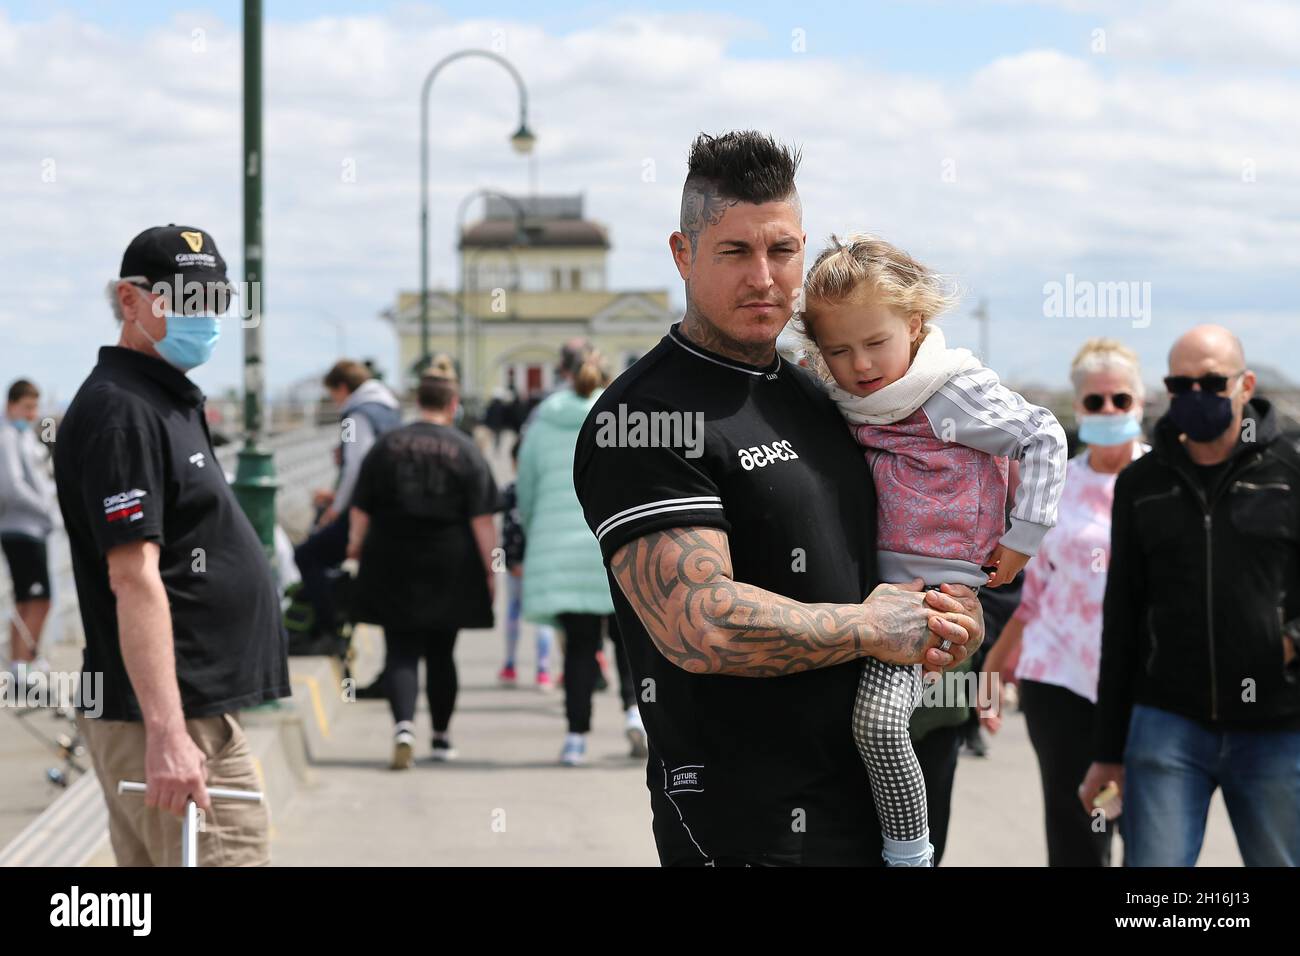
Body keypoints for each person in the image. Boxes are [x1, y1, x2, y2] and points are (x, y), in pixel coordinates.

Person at [573, 130, 983, 867]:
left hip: (877, 795)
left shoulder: (821, 389)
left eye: (783, 250)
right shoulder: (643, 418)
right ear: (683, 253)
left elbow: (902, 541)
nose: (764, 277)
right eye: (735, 252)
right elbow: (701, 625)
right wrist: (866, 627)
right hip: (745, 820)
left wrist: (948, 617)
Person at [798, 233, 1067, 866]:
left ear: (915, 328)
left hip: (934, 595)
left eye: (874, 344)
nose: (860, 365)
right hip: (875, 591)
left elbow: (1043, 434)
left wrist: (1023, 538)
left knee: (881, 725)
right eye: (838, 350)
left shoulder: (948, 392)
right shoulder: (843, 395)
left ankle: (911, 853)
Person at [56, 225, 289, 866]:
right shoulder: (122, 412)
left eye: (215, 301)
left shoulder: (162, 400)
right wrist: (167, 734)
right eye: (185, 299)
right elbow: (133, 577)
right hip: (170, 719)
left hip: (189, 713)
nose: (204, 316)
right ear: (130, 301)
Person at [1081, 324, 1300, 866]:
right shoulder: (1143, 482)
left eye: (1211, 382)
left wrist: (1289, 643)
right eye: (1181, 385)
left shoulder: (1290, 467)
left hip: (1276, 724)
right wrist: (1108, 754)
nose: (1195, 396)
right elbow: (1122, 617)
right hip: (1168, 723)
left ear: (1246, 384)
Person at [981, 338, 1147, 866]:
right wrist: (994, 669)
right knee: (1078, 832)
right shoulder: (1055, 487)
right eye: (1095, 402)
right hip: (1060, 683)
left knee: (1147, 830)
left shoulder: (1164, 486)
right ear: (1079, 408)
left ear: (1140, 403)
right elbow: (1033, 598)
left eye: (1121, 399)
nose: (1109, 410)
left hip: (1147, 684)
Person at [347, 360, 497, 769]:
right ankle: (443, 738)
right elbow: (483, 521)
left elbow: (360, 510)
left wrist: (354, 550)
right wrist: (490, 570)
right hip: (451, 561)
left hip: (390, 556)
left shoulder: (388, 446)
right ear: (452, 403)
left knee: (400, 649)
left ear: (417, 401)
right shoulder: (467, 450)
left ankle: (403, 728)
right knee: (442, 653)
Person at [518, 348, 645, 765]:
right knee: (627, 643)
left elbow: (527, 492)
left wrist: (538, 530)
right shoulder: (623, 416)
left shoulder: (541, 425)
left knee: (578, 648)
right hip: (615, 546)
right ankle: (634, 716)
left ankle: (575, 739)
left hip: (560, 551)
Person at [294, 360, 400, 653]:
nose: (334, 401)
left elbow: (356, 466)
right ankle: (340, 616)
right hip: (388, 510)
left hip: (362, 512)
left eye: (333, 395)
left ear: (342, 387)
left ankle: (329, 631)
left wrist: (336, 507)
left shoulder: (357, 417)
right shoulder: (389, 410)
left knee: (307, 555)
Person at [0, 379, 57, 685]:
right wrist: (46, 509)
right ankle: (23, 665)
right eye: (28, 407)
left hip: (25, 527)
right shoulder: (8, 436)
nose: (34, 413)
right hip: (23, 527)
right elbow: (13, 486)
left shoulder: (21, 437)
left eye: (36, 407)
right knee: (40, 599)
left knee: (25, 598)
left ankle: (22, 661)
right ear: (12, 405)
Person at [498, 437, 555, 690]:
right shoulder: (546, 491)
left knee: (512, 611)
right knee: (543, 618)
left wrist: (506, 561)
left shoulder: (510, 490)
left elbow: (504, 529)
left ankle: (510, 664)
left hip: (514, 563)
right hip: (542, 562)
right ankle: (543, 670)